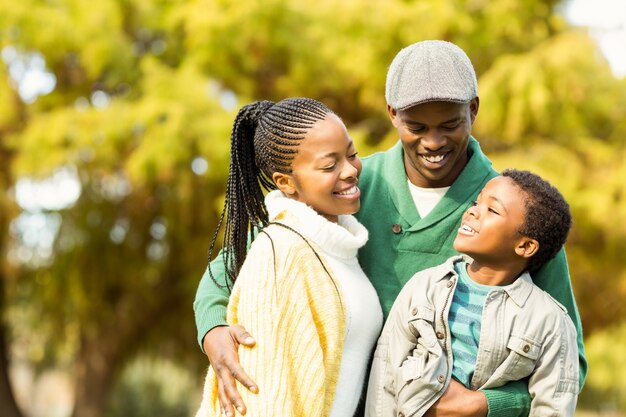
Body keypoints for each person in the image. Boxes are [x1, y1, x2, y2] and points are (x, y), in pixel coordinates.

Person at [194, 40, 587, 417]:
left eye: (449, 124)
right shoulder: (350, 188)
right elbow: (232, 266)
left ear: (474, 110)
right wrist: (214, 332)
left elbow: (568, 359)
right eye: (416, 126)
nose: (433, 142)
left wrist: (485, 406)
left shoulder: (513, 214)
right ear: (392, 114)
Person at [194, 97, 383, 417]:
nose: (351, 170)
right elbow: (270, 399)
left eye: (351, 154)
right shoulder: (283, 252)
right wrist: (213, 330)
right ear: (286, 182)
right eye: (329, 165)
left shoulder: (338, 245)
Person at [365, 169, 579, 417]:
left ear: (525, 246)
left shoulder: (551, 321)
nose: (472, 211)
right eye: (477, 202)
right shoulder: (423, 287)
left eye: (492, 210)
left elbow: (554, 406)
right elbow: (386, 374)